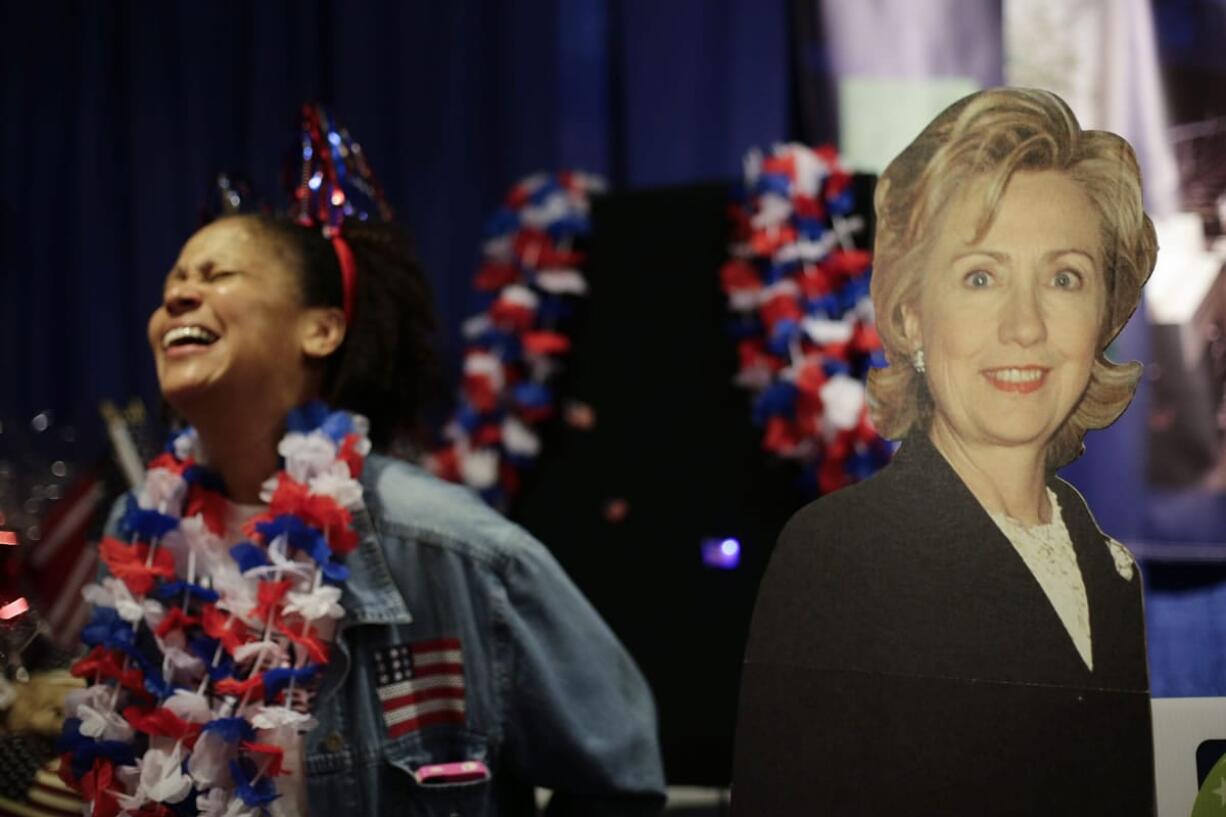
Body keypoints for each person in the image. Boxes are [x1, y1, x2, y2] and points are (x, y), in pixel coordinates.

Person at [59, 111, 666, 817]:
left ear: (321, 328)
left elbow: (620, 776)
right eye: (174, 280)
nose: (177, 295)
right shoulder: (136, 535)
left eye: (216, 273)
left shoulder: (448, 547)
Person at [731, 87, 1157, 815]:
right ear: (910, 313)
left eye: (1064, 277)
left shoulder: (1108, 568)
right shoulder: (839, 557)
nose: (1025, 326)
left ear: (1103, 314)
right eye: (981, 276)